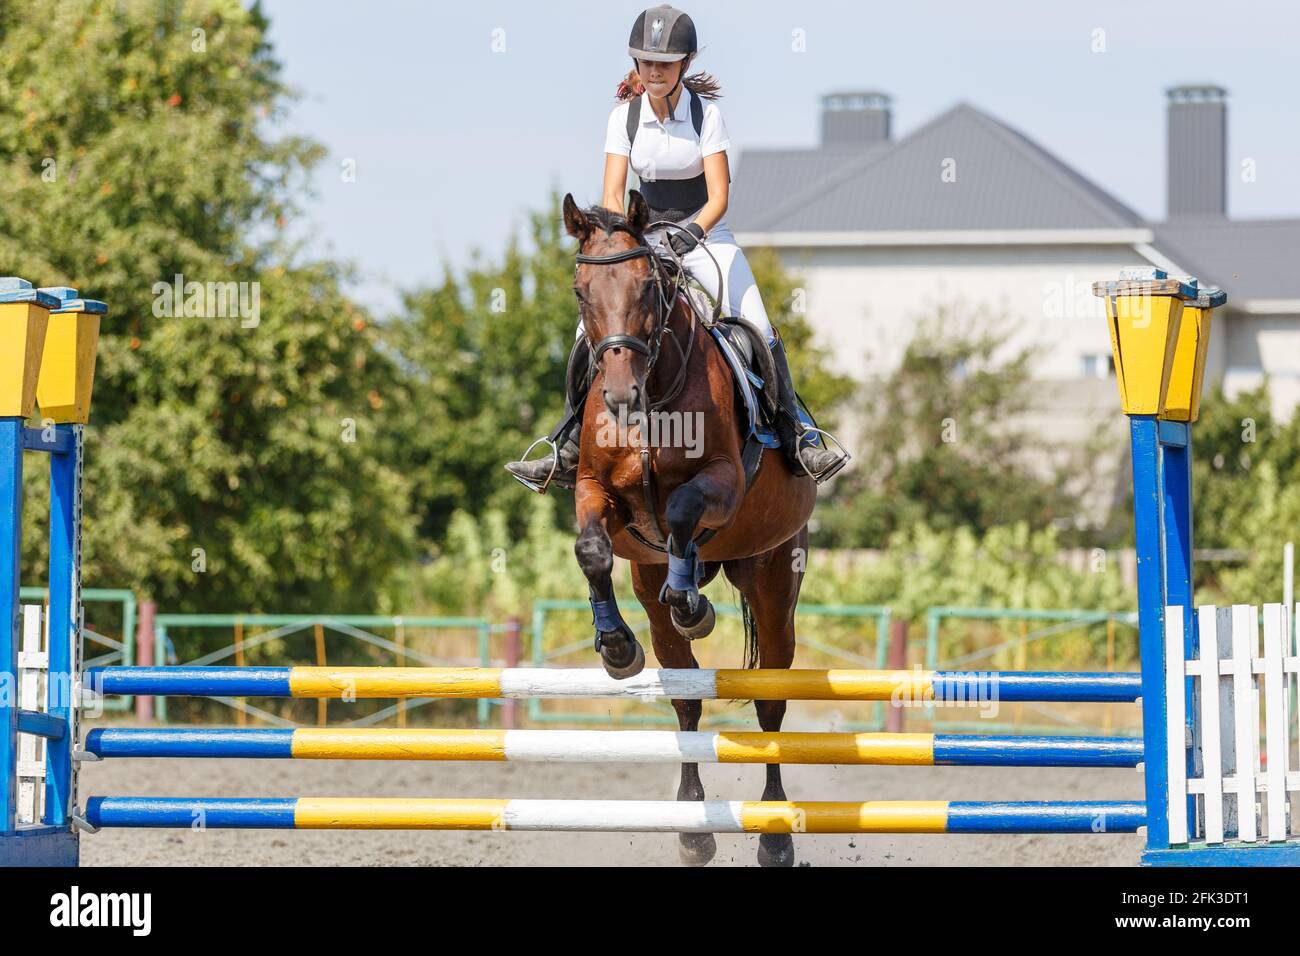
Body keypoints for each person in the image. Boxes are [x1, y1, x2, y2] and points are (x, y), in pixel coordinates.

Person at [506, 4, 849, 491]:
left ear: (684, 65)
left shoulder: (706, 115)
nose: (655, 72)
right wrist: (626, 241)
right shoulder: (623, 119)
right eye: (647, 63)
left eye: (664, 64)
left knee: (757, 323)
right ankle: (566, 444)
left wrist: (691, 233)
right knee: (586, 336)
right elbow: (611, 196)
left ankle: (798, 435)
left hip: (706, 236)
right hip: (641, 242)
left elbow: (720, 195)